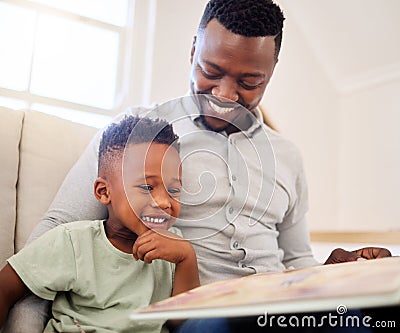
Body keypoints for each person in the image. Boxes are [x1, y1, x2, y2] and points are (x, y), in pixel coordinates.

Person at [3, 0, 391, 332]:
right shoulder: (138, 138)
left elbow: (296, 261)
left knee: (374, 310)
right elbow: (54, 237)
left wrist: (333, 270)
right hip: (202, 312)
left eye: (249, 81)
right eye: (210, 71)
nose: (224, 95)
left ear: (272, 70)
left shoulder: (287, 155)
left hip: (281, 306)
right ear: (193, 51)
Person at [0, 116, 199, 332]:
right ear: (104, 192)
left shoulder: (175, 249)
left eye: (174, 190)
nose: (164, 202)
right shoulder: (74, 242)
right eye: (147, 188)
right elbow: (4, 288)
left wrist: (186, 259)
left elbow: (182, 322)